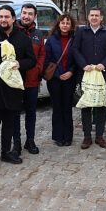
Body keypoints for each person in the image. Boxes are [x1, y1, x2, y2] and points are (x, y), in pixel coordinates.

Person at [0, 5, 36, 171]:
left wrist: (19, 63)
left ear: (13, 18)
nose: (3, 20)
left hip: (13, 89)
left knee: (10, 123)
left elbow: (31, 61)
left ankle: (5, 152)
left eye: (6, 17)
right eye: (0, 16)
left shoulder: (23, 39)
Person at [73, 7, 106, 149]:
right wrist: (83, 64)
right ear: (88, 17)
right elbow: (75, 49)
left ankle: (99, 136)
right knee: (86, 106)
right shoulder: (81, 32)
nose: (94, 18)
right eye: (91, 15)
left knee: (100, 106)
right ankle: (87, 137)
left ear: (101, 18)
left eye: (97, 15)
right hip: (86, 74)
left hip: (102, 74)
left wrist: (103, 64)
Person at [12, 3, 45, 156]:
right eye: (24, 13)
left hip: (32, 81)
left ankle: (30, 140)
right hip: (15, 81)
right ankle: (16, 143)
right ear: (20, 14)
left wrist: (38, 69)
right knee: (15, 113)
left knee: (31, 112)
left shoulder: (38, 33)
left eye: (30, 14)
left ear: (35, 16)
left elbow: (42, 55)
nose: (26, 16)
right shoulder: (12, 31)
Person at [45, 14, 77, 147]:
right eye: (62, 23)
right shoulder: (51, 40)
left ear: (71, 25)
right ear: (58, 24)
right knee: (57, 107)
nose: (65, 25)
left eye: (67, 23)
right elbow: (47, 60)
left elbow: (77, 59)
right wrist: (59, 75)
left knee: (67, 107)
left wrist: (71, 71)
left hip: (70, 78)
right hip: (55, 79)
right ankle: (58, 136)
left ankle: (68, 136)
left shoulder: (75, 40)